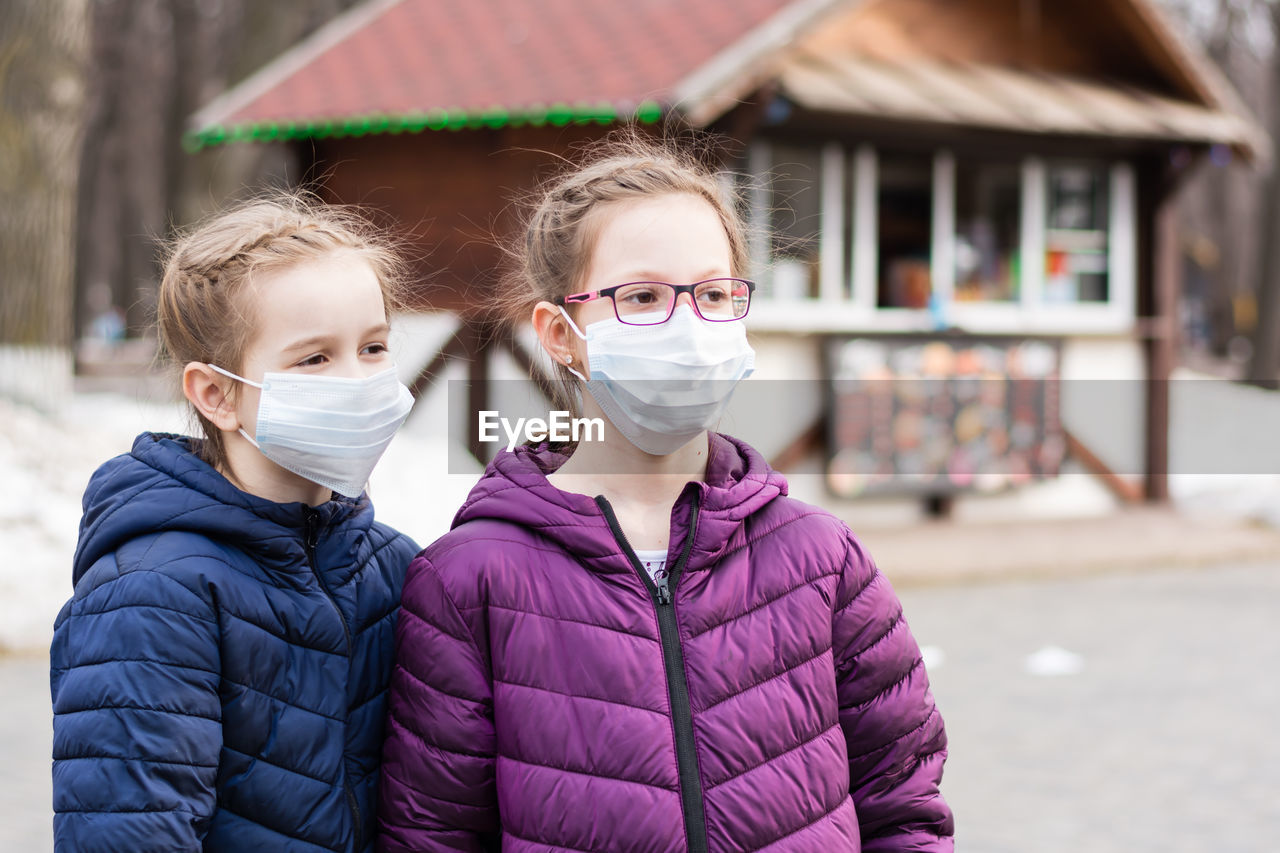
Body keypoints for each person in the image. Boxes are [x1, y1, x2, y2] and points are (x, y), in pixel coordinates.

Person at [378, 133, 954, 852]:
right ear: (561, 333)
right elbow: (433, 834)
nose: (687, 325)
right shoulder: (469, 579)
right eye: (642, 296)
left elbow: (902, 805)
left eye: (713, 293)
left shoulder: (824, 558)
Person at [50, 193, 422, 852]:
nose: (358, 379)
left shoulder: (393, 565)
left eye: (373, 346)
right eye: (315, 358)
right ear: (217, 394)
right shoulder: (152, 592)